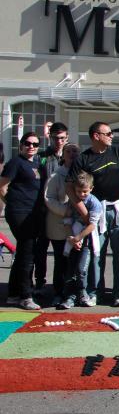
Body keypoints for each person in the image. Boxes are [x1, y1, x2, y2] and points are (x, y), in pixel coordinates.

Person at [68, 121, 119, 307]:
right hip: (96, 214)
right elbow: (70, 187)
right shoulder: (83, 159)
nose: (112, 136)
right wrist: (85, 213)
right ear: (96, 136)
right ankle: (95, 292)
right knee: (97, 254)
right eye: (108, 133)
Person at [0, 132, 47, 309]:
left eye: (35, 144)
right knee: (28, 253)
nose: (31, 147)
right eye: (27, 143)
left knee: (23, 253)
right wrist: (11, 202)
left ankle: (13, 294)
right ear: (21, 145)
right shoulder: (16, 163)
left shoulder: (37, 163)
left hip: (33, 213)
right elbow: (2, 186)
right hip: (20, 213)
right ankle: (26, 296)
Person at [56, 172, 104, 309]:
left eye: (85, 192)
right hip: (73, 237)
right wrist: (72, 238)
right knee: (70, 268)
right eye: (78, 191)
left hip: (86, 239)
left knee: (81, 269)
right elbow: (67, 220)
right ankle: (70, 296)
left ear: (91, 189)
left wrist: (78, 238)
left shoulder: (94, 203)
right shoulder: (73, 201)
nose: (81, 194)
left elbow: (92, 225)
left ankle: (82, 293)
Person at [43, 142, 80, 306]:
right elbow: (48, 198)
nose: (72, 154)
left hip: (78, 226)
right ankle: (58, 292)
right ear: (63, 154)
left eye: (75, 151)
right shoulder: (56, 175)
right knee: (61, 261)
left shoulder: (82, 173)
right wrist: (65, 211)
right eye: (68, 151)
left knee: (77, 261)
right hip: (59, 225)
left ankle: (74, 292)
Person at [34, 121, 68, 292]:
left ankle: (59, 287)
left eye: (62, 138)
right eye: (55, 138)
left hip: (62, 211)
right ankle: (40, 282)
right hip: (42, 210)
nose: (59, 141)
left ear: (67, 137)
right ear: (50, 137)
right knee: (40, 250)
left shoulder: (70, 156)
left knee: (61, 252)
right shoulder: (42, 157)